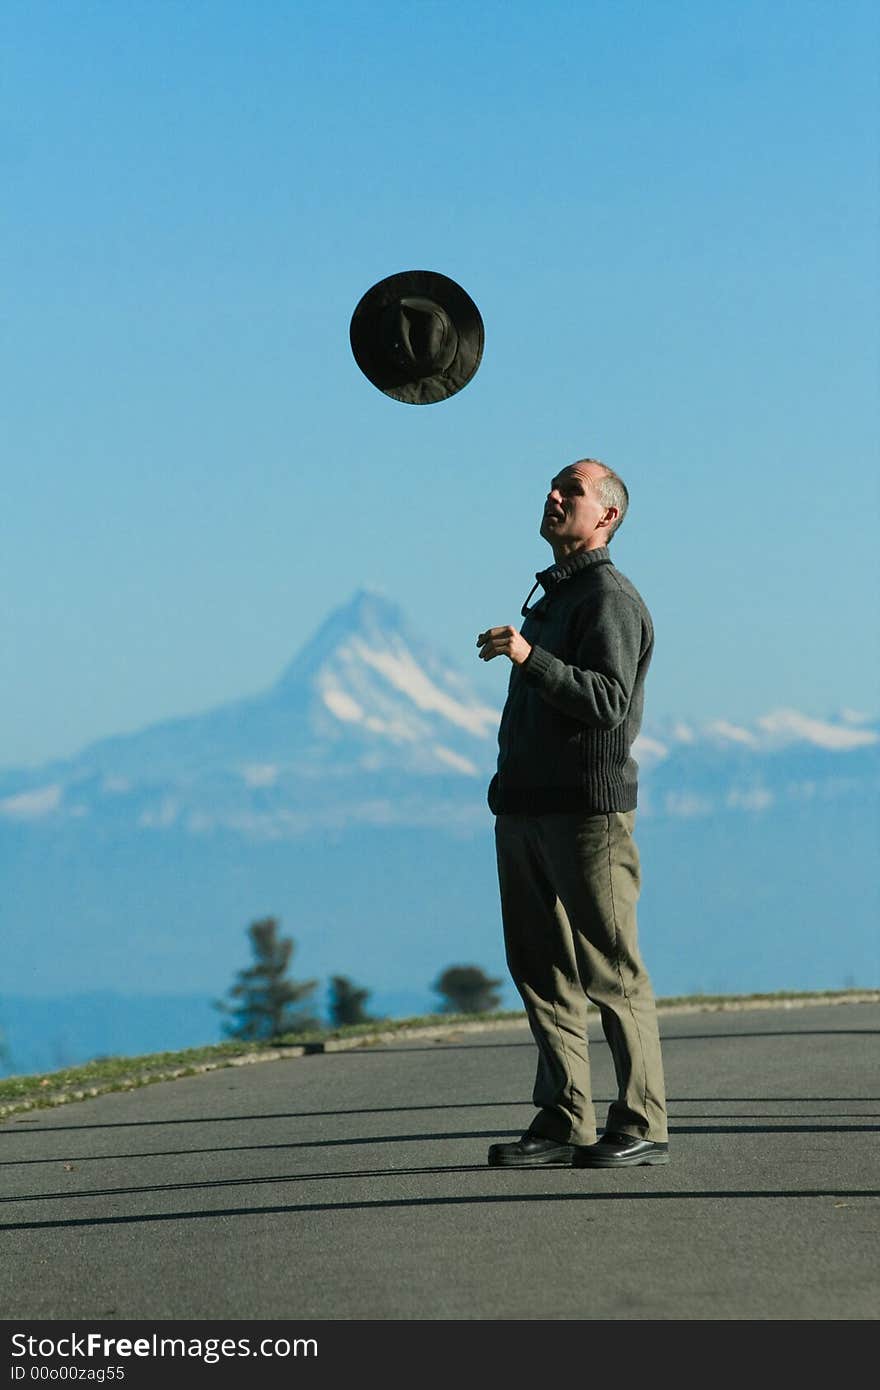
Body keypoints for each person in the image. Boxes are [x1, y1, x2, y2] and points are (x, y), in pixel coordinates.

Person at [476, 458, 668, 1169]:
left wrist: (530, 657)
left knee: (610, 969)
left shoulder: (608, 598)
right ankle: (564, 1121)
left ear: (607, 517)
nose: (555, 496)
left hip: (587, 817)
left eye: (573, 491)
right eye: (553, 487)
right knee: (541, 969)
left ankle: (643, 1119)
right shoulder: (554, 596)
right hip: (525, 811)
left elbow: (609, 704)